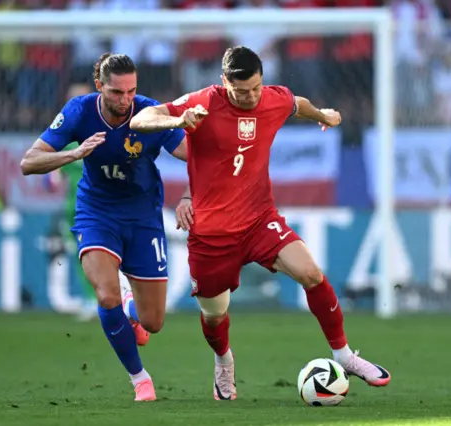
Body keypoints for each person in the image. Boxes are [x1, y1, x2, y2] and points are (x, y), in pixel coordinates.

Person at [130, 46, 391, 401]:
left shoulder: (272, 99)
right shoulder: (203, 101)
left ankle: (345, 357)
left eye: (256, 87)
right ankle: (224, 361)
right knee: (213, 314)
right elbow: (140, 119)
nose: (251, 97)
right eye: (241, 91)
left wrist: (324, 115)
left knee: (311, 273)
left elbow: (295, 102)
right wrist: (177, 121)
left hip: (258, 219)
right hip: (211, 235)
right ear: (224, 83)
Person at [20, 53, 188, 402]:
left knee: (152, 322)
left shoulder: (150, 113)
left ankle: (131, 307)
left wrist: (189, 196)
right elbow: (28, 162)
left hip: (143, 217)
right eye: (116, 92)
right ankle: (140, 378)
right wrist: (74, 153)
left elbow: (198, 156)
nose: (125, 100)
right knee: (105, 294)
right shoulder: (80, 111)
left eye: (131, 92)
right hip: (97, 212)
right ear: (100, 86)